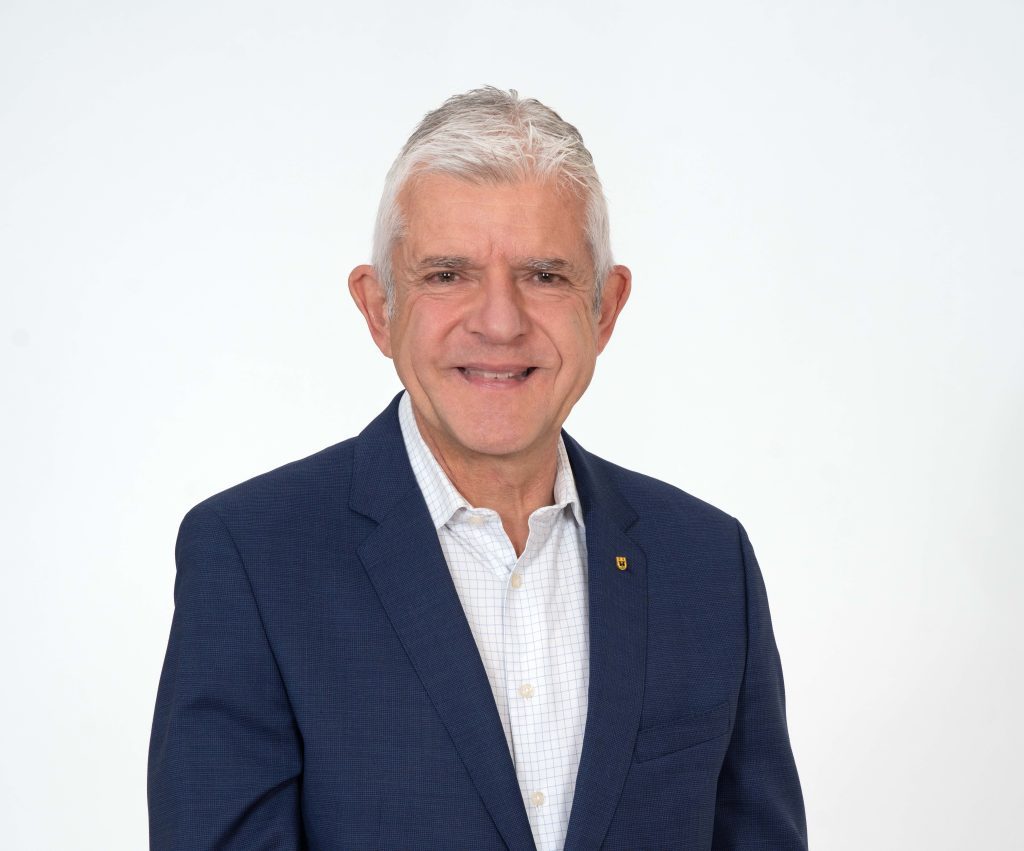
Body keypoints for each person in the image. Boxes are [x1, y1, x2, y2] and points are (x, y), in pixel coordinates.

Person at [148, 87, 807, 850]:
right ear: (379, 308)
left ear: (605, 308)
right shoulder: (254, 558)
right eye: (447, 274)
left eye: (544, 274)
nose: (500, 322)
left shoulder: (708, 563)